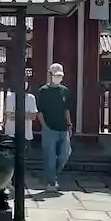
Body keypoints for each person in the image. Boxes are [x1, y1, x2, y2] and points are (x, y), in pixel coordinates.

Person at [36, 62, 74, 192]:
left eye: (60, 76)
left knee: (65, 154)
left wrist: (69, 124)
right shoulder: (43, 91)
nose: (59, 78)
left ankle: (52, 175)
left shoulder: (64, 91)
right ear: (50, 75)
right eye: (56, 76)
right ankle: (51, 182)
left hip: (63, 128)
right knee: (50, 157)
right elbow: (39, 111)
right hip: (49, 128)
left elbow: (66, 109)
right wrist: (44, 126)